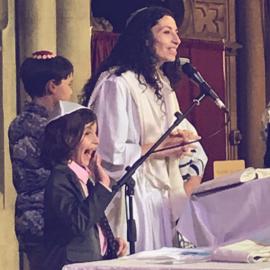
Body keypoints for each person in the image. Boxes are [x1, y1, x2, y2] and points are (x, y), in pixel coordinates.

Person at [80, 6, 208, 251]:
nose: (177, 40)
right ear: (145, 39)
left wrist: (182, 141)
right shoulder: (117, 83)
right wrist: (159, 149)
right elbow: (108, 153)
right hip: (133, 198)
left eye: (176, 32)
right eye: (166, 32)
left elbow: (172, 134)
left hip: (161, 195)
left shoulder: (162, 85)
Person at [41, 102, 127, 270]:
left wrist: (109, 246)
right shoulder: (60, 178)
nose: (96, 140)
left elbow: (91, 224)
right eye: (88, 133)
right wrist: (102, 186)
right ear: (67, 138)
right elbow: (77, 222)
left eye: (95, 133)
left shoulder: (84, 179)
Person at [8, 50, 74, 270]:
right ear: (52, 86)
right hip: (48, 220)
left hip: (27, 218)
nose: (71, 92)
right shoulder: (51, 127)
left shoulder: (17, 122)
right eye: (68, 84)